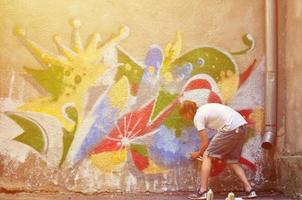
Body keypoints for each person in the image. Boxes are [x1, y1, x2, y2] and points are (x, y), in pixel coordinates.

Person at [179, 101, 257, 200]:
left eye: (184, 115)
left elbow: (205, 143)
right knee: (232, 161)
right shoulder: (204, 109)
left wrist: (197, 154)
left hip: (231, 128)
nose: (185, 118)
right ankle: (250, 190)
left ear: (189, 111)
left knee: (207, 155)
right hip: (241, 127)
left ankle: (202, 191)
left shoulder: (198, 117)